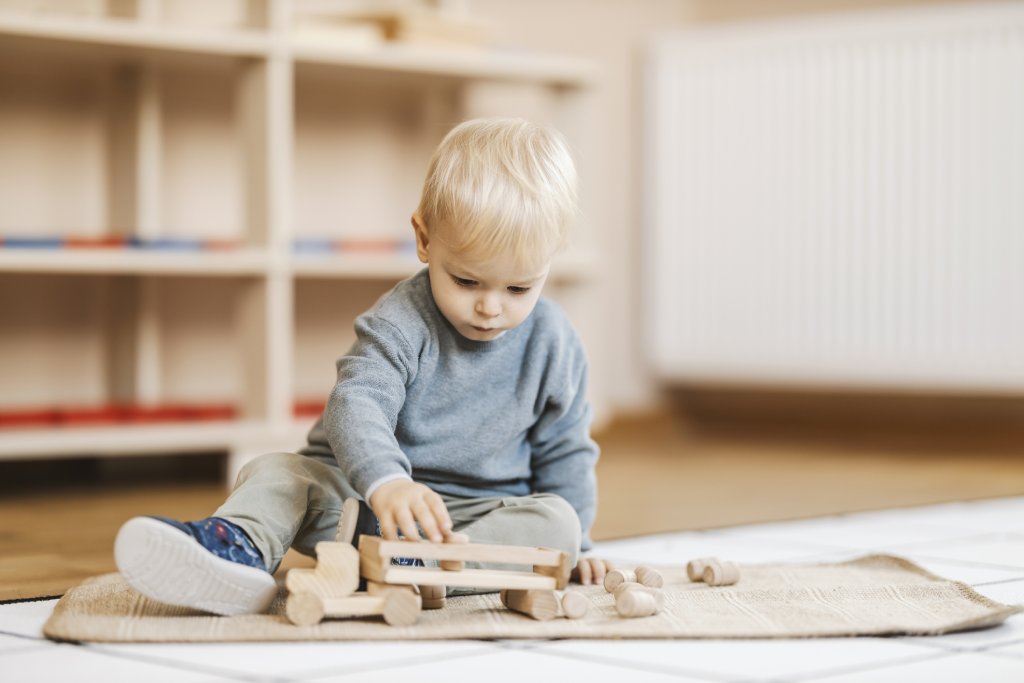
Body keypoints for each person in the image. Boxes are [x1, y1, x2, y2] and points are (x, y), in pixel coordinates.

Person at [114, 117, 609, 616]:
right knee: (277, 472)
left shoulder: (556, 342)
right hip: (363, 507)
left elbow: (566, 450)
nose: (490, 307)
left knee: (558, 520)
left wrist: (580, 546)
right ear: (424, 239)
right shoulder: (400, 320)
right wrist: (387, 483)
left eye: (519, 288)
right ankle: (237, 548)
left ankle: (424, 569)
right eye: (466, 281)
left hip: (475, 521)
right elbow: (357, 402)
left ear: (552, 258)